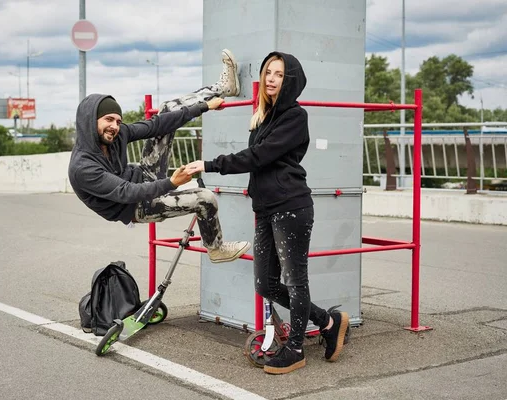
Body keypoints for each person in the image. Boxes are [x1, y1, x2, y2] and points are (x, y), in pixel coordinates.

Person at [185, 51, 349, 374]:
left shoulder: (295, 118)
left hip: (291, 208)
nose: (271, 78)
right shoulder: (264, 116)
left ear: (289, 80)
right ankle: (328, 322)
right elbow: (256, 156)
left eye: (278, 73)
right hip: (265, 210)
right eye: (268, 72)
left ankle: (296, 349)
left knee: (296, 281)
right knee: (265, 284)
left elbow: (257, 157)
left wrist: (210, 164)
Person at [68, 49, 251, 264]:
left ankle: (222, 88)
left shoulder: (117, 135)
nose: (114, 126)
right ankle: (216, 248)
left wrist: (203, 107)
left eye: (118, 121)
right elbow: (127, 192)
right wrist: (172, 183)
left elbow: (156, 125)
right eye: (108, 119)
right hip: (137, 206)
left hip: (144, 176)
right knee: (205, 199)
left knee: (167, 109)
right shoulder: (83, 167)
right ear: (90, 121)